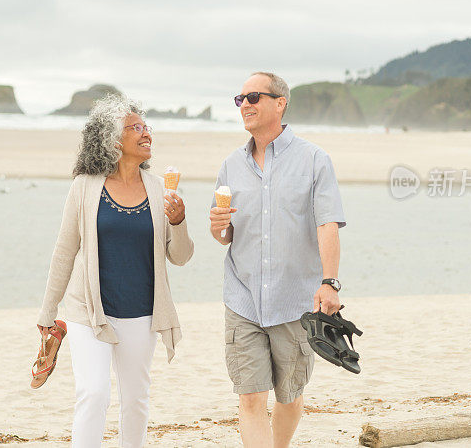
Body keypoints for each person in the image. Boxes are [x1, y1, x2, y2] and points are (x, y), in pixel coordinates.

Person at [36, 94, 194, 447]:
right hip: (87, 312)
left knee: (135, 401)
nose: (145, 133)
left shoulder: (160, 189)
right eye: (134, 128)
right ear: (111, 139)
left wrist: (179, 220)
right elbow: (65, 250)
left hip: (142, 314)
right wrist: (48, 310)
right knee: (93, 394)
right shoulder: (85, 187)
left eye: (145, 127)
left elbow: (181, 257)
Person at [209, 72, 346, 447]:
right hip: (243, 299)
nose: (246, 105)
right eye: (240, 99)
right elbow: (225, 236)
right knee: (251, 398)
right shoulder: (230, 166)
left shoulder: (314, 160)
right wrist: (218, 226)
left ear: (280, 102)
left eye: (254, 96)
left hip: (296, 301)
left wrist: (329, 282)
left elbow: (327, 224)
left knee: (289, 395)